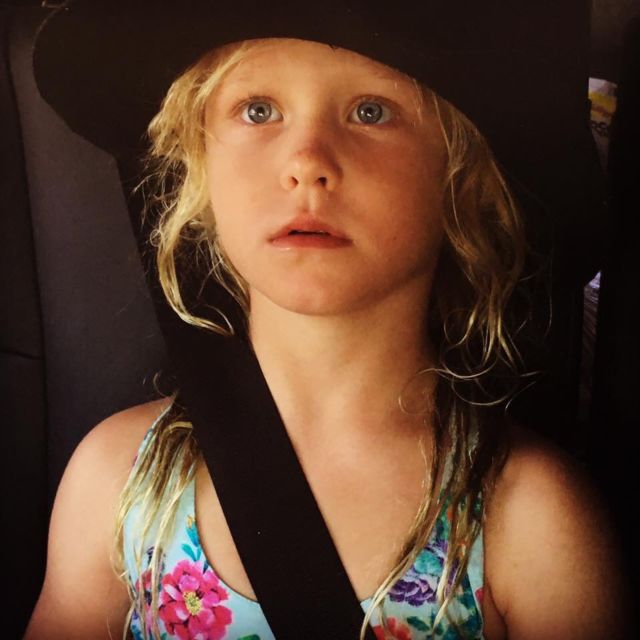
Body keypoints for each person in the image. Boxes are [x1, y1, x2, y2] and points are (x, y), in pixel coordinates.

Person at [25, 6, 632, 640]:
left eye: (371, 111)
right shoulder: (119, 480)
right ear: (199, 168)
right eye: (258, 110)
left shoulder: (527, 517)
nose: (306, 160)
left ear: (463, 185)